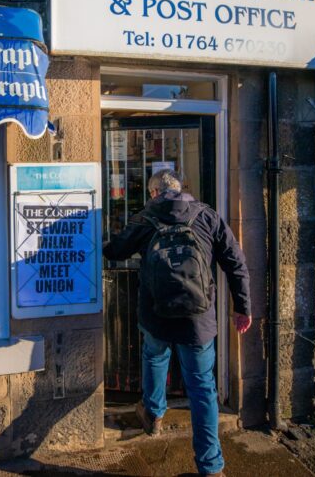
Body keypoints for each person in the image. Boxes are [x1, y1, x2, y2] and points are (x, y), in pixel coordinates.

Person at [103, 169, 251, 477]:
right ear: (180, 190)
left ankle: (154, 414)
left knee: (155, 356)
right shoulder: (207, 216)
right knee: (202, 389)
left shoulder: (145, 218)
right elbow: (236, 263)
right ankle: (211, 467)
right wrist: (243, 307)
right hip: (198, 319)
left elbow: (115, 251)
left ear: (155, 192)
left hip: (156, 313)